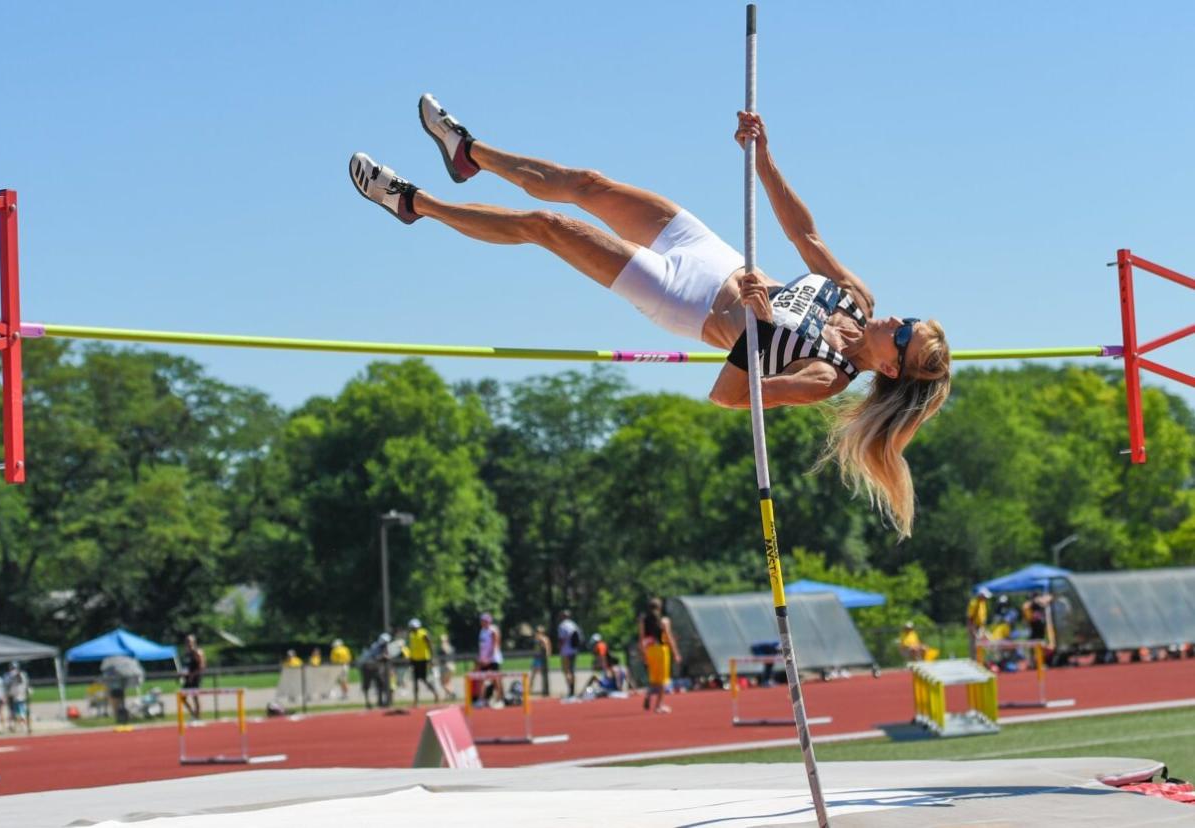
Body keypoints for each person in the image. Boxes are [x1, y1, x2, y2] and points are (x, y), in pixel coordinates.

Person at [350, 97, 951, 538]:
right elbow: (804, 232)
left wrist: (758, 327)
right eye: (911, 317)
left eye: (904, 333)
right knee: (588, 184)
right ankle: (468, 152)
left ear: (892, 368)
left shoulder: (826, 377)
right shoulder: (857, 297)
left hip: (678, 297)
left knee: (550, 228)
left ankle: (414, 203)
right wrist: (764, 158)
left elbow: (730, 398)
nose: (896, 318)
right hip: (712, 252)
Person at [639, 597, 681, 713]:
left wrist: (643, 654)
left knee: (654, 678)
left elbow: (641, 638)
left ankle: (648, 694)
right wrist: (676, 653)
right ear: (660, 607)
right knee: (662, 680)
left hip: (650, 650)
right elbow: (669, 637)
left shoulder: (644, 620)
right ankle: (659, 705)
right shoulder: (664, 621)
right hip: (661, 650)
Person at [406, 618, 440, 706]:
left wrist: (432, 658)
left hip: (423, 660)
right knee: (415, 680)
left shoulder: (423, 634)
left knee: (424, 679)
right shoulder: (411, 635)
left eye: (415, 627)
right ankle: (416, 700)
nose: (414, 629)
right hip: (414, 660)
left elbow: (430, 645)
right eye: (412, 627)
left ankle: (435, 693)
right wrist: (410, 659)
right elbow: (412, 648)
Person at [476, 612, 505, 709]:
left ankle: (500, 699)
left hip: (493, 660)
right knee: (481, 679)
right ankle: (482, 700)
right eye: (482, 621)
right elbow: (482, 647)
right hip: (484, 660)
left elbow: (495, 645)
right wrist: (480, 659)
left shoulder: (493, 630)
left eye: (485, 621)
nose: (483, 623)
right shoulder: (481, 631)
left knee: (495, 679)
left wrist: (489, 658)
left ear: (489, 621)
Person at [359, 634, 392, 709]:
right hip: (368, 667)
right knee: (367, 685)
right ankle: (368, 702)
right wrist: (384, 657)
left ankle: (380, 701)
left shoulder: (382, 647)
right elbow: (375, 657)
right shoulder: (376, 646)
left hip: (375, 668)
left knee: (380, 683)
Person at [556, 610, 583, 698]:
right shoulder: (574, 624)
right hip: (574, 650)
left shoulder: (562, 626)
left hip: (566, 651)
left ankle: (570, 691)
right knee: (572, 670)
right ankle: (573, 690)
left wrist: (559, 648)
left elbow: (561, 639)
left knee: (566, 671)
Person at [180, 634, 206, 720]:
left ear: (193, 642)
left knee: (195, 697)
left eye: (189, 641)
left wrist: (193, 675)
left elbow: (201, 666)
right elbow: (186, 666)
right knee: (182, 697)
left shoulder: (197, 652)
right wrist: (182, 674)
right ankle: (193, 714)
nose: (187, 643)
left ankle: (197, 717)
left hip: (195, 678)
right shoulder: (186, 653)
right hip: (187, 679)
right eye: (186, 641)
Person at [967, 587, 991, 657]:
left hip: (981, 627)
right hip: (975, 626)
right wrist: (972, 630)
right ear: (981, 595)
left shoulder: (982, 603)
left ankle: (981, 659)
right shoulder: (974, 603)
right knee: (974, 645)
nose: (986, 598)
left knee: (986, 642)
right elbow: (970, 617)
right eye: (985, 596)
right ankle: (974, 660)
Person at [6, 662, 29, 732]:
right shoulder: (22, 674)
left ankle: (18, 726)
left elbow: (9, 686)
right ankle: (23, 726)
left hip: (14, 696)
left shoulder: (10, 675)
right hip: (21, 695)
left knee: (16, 712)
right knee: (22, 711)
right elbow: (26, 685)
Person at [530, 625, 552, 697]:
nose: (537, 633)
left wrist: (547, 656)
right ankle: (529, 689)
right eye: (537, 631)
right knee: (533, 674)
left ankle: (545, 690)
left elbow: (547, 647)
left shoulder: (544, 639)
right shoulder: (536, 639)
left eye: (539, 631)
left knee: (543, 675)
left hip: (541, 659)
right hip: (536, 658)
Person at [437, 633, 458, 701]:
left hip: (446, 666)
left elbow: (441, 657)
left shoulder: (443, 646)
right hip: (452, 665)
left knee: (442, 683)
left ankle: (452, 693)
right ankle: (448, 696)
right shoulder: (451, 647)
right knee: (448, 682)